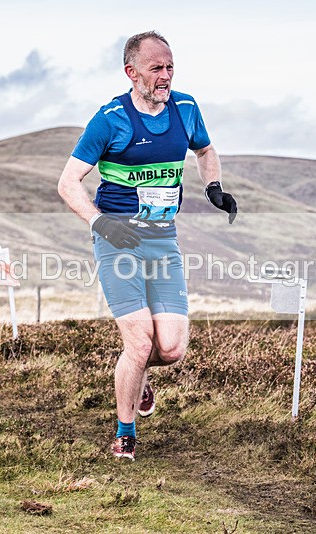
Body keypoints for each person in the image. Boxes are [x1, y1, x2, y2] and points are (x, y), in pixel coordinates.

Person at [57, 31, 238, 461]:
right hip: (118, 240)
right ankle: (125, 433)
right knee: (139, 344)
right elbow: (67, 183)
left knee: (171, 348)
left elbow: (206, 149)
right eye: (156, 68)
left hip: (163, 239)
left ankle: (134, 375)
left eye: (170, 67)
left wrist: (213, 186)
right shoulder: (110, 119)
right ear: (131, 72)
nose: (166, 76)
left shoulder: (186, 109)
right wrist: (100, 223)